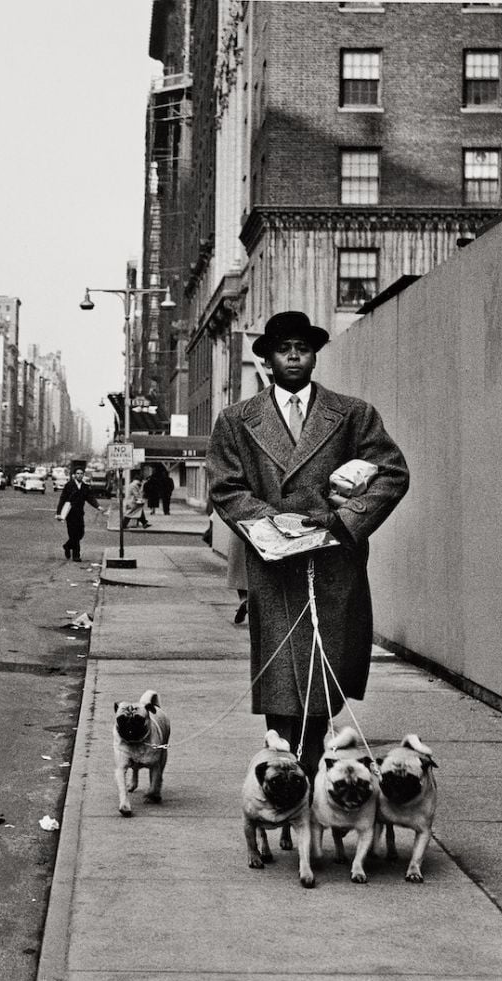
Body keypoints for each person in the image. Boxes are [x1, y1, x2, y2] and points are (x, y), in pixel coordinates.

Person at [206, 310, 409, 780]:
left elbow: (392, 473)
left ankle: (315, 777)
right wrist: (273, 525)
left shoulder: (353, 413)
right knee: (281, 681)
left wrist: (342, 523)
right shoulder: (237, 420)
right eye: (284, 348)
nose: (294, 356)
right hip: (275, 564)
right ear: (268, 359)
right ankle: (286, 780)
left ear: (315, 355)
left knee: (323, 679)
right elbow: (225, 486)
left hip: (333, 563)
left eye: (303, 347)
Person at [55, 467, 107, 562]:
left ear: (83, 475)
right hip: (70, 514)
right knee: (73, 534)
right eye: (77, 473)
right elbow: (62, 499)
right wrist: (59, 513)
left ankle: (67, 546)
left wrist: (98, 506)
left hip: (79, 514)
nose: (79, 475)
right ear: (74, 475)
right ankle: (76, 555)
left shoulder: (85, 487)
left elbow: (90, 498)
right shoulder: (69, 485)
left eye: (81, 473)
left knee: (80, 533)